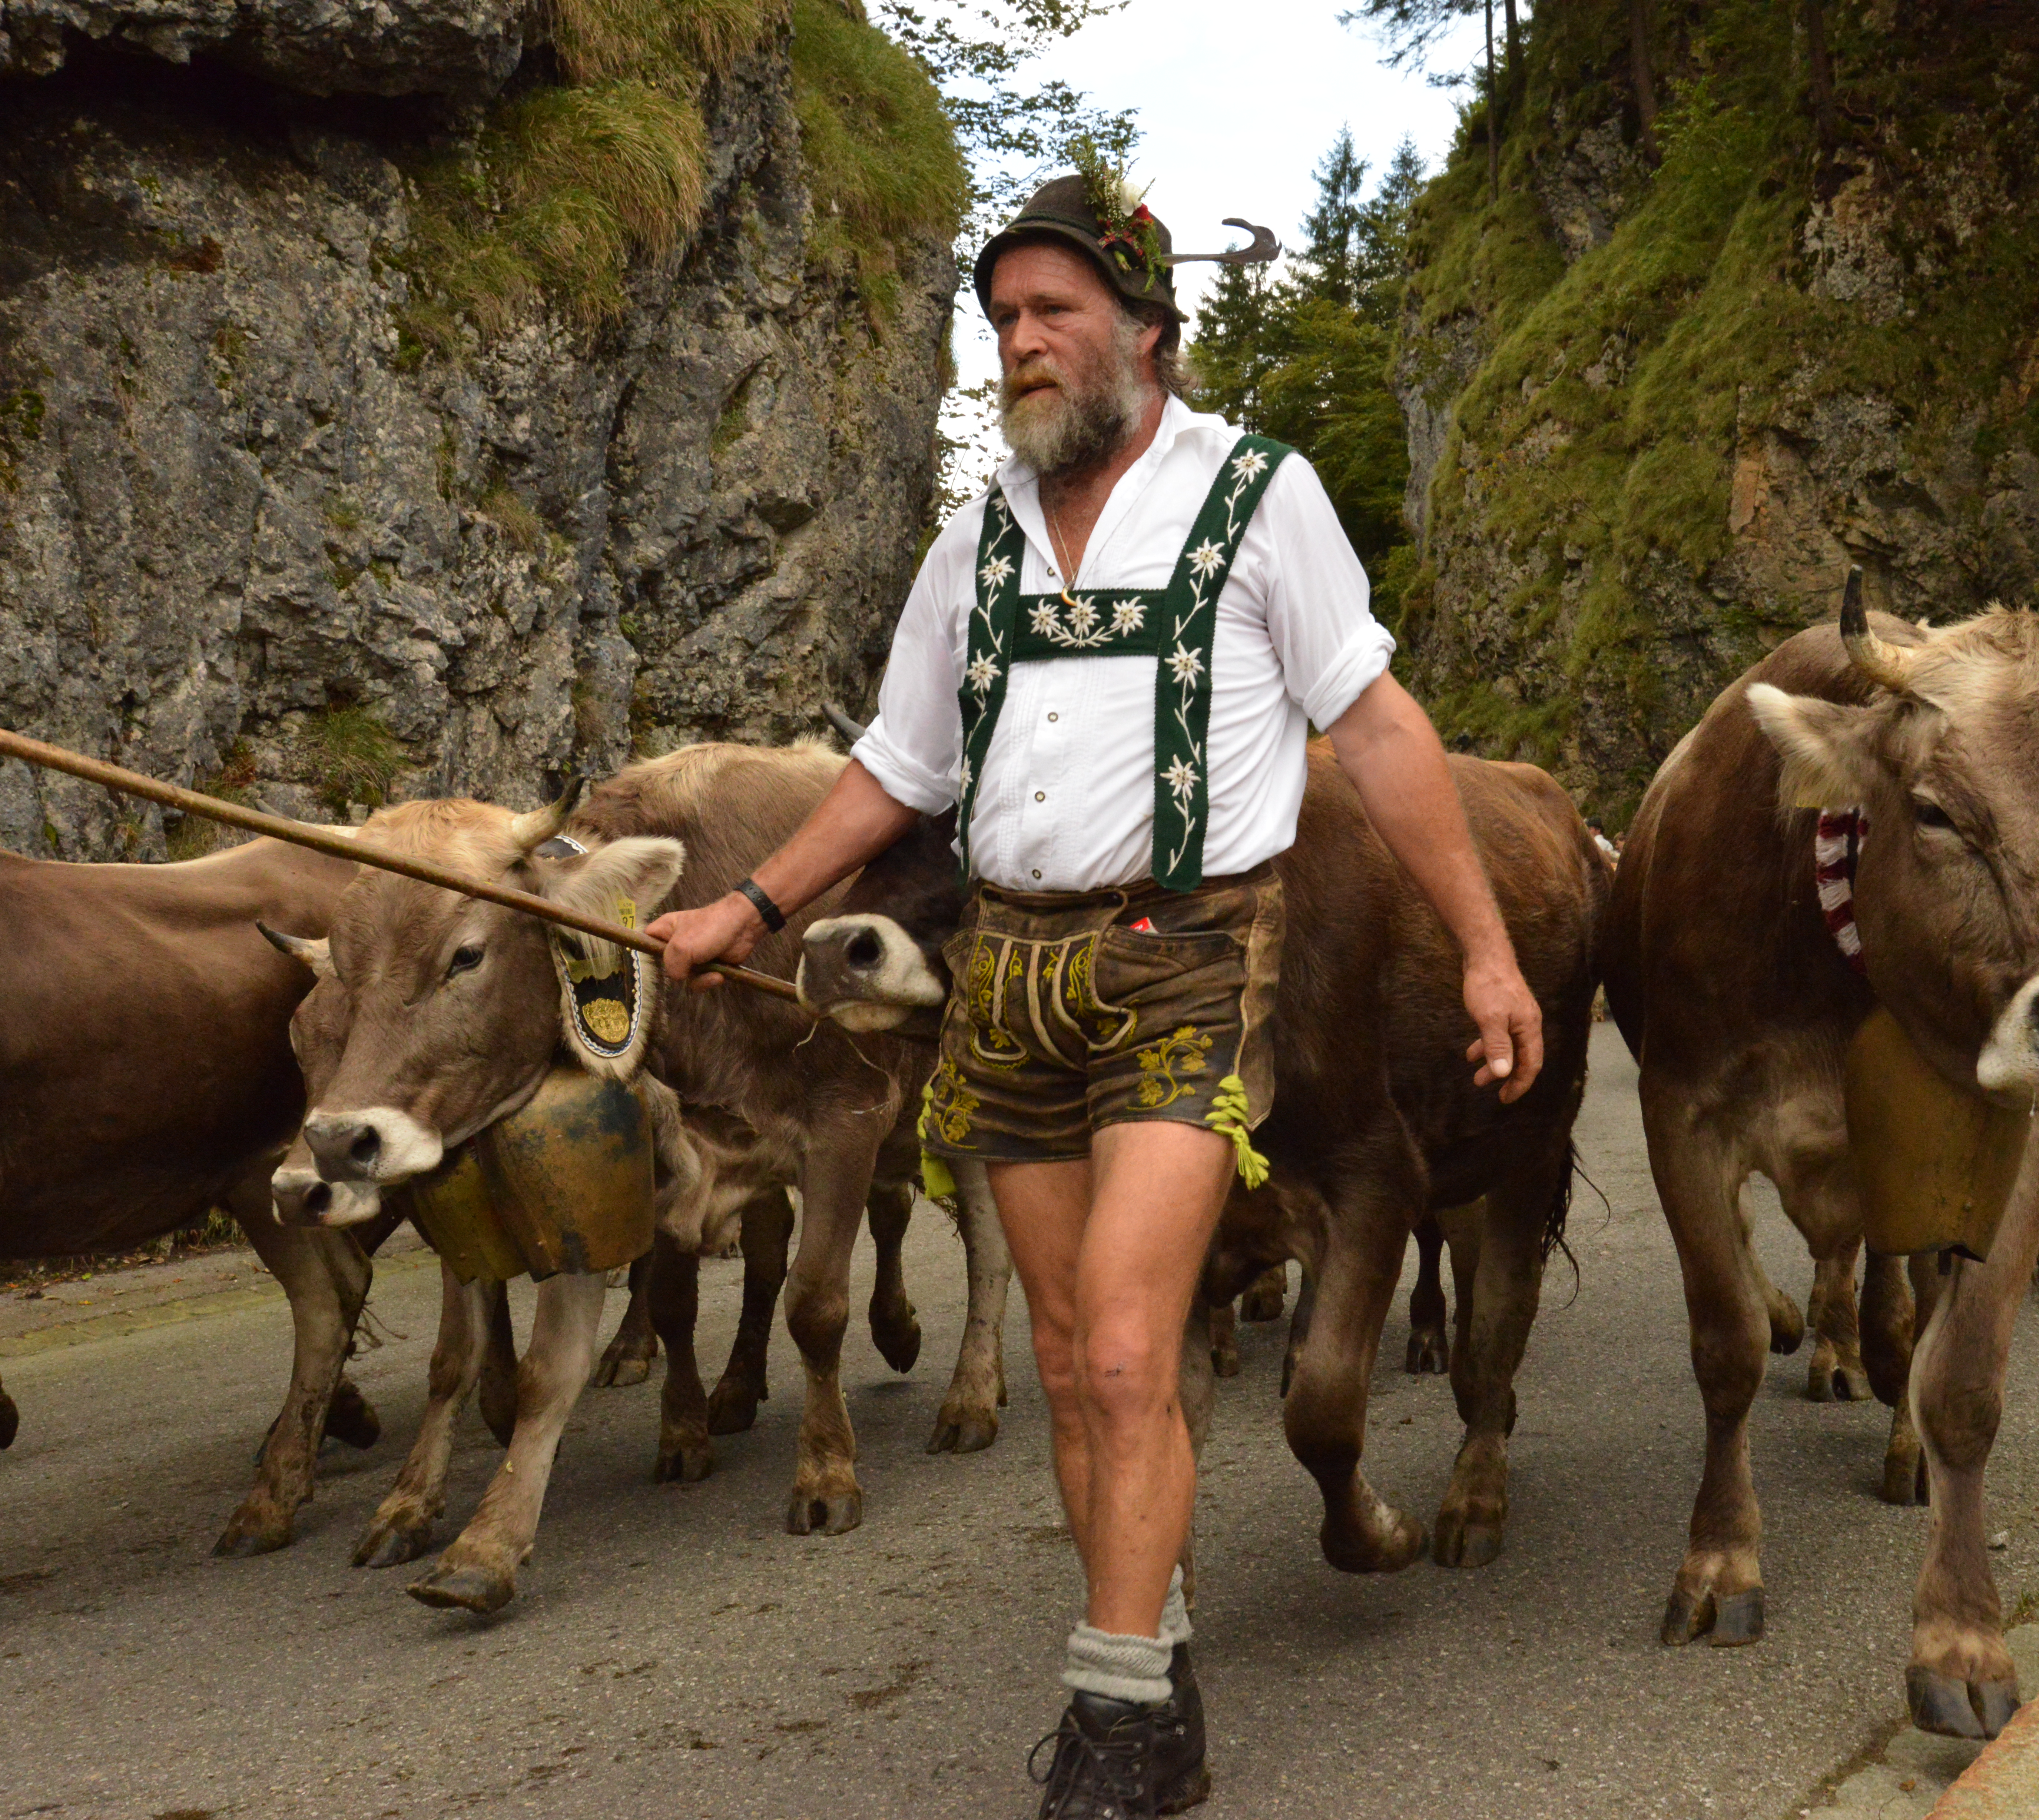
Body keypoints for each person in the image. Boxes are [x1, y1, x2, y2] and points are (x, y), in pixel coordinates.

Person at [648, 161, 1544, 1820]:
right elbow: (895, 769)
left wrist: (1487, 946)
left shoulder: (1255, 496)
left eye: (1056, 311)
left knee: (1133, 1349)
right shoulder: (974, 538)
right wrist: (746, 907)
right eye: (1002, 319)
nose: (1023, 343)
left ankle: (1120, 1716)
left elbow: (1383, 729)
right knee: (1068, 1357)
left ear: (1152, 333)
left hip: (1186, 959)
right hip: (1009, 972)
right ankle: (1159, 1649)